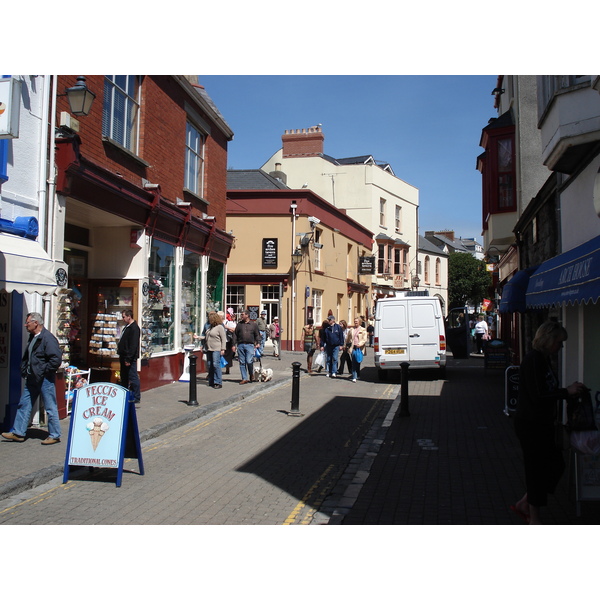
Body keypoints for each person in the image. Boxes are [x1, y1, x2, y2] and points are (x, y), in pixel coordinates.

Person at [511, 321, 587, 525]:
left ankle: (526, 502)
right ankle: (533, 517)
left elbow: (545, 390)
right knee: (537, 469)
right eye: (559, 342)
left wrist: (568, 392)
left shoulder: (543, 359)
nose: (561, 347)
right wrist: (566, 392)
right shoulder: (534, 360)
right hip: (531, 424)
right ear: (549, 340)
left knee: (554, 465)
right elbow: (538, 394)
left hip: (542, 423)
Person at [2, 312, 63, 444]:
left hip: (44, 378)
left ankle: (55, 434)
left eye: (28, 322)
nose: (25, 325)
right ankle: (18, 432)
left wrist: (44, 371)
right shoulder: (33, 337)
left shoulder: (47, 338)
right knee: (24, 404)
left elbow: (55, 359)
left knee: (50, 406)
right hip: (32, 377)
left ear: (36, 323)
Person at [117, 309, 141, 404]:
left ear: (129, 316)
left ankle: (136, 396)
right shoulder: (127, 327)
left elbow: (133, 345)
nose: (122, 319)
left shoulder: (134, 328)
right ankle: (124, 393)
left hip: (129, 357)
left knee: (132, 376)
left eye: (123, 317)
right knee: (124, 376)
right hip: (123, 355)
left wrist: (129, 358)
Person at [232, 310, 260, 384]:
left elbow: (257, 334)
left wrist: (258, 343)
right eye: (241, 314)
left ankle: (251, 373)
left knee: (249, 361)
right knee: (242, 362)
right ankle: (244, 378)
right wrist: (233, 345)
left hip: (250, 345)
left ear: (247, 315)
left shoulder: (253, 325)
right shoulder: (239, 324)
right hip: (240, 345)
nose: (241, 316)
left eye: (242, 314)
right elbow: (235, 335)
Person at [204, 311, 227, 389]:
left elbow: (224, 339)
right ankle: (211, 380)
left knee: (215, 364)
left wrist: (223, 349)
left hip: (217, 349)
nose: (209, 320)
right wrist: (198, 338)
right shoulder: (210, 327)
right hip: (209, 348)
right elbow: (206, 337)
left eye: (210, 319)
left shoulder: (220, 327)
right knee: (210, 365)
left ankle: (218, 382)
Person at [346, 317, 368, 382]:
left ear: (360, 322)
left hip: (360, 348)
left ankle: (358, 374)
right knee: (353, 362)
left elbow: (364, 339)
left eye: (356, 321)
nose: (355, 322)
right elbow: (348, 338)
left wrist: (360, 344)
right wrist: (346, 345)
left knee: (358, 362)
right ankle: (354, 376)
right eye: (355, 321)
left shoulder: (363, 330)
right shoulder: (351, 329)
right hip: (353, 348)